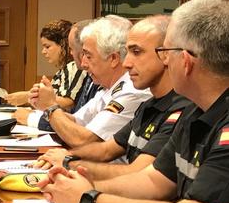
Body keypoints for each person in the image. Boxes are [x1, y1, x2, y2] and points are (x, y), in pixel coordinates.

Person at [40, 0, 229, 203]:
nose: (165, 59)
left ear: (186, 61)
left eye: (166, 51)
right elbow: (153, 181)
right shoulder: (196, 112)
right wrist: (78, 181)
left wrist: (89, 201)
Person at [34, 15, 191, 180]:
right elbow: (105, 150)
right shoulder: (150, 104)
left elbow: (139, 176)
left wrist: (69, 162)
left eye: (136, 52)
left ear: (165, 55)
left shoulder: (174, 106)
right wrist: (65, 155)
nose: (127, 63)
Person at [20, 16, 151, 148]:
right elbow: (76, 120)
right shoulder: (106, 89)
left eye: (88, 56)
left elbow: (83, 140)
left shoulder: (131, 92)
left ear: (113, 59)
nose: (83, 64)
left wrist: (51, 107)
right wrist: (45, 105)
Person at [5, 19, 85, 109]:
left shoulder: (73, 67)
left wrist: (28, 96)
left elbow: (68, 103)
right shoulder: (62, 72)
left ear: (63, 44)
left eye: (47, 46)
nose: (43, 52)